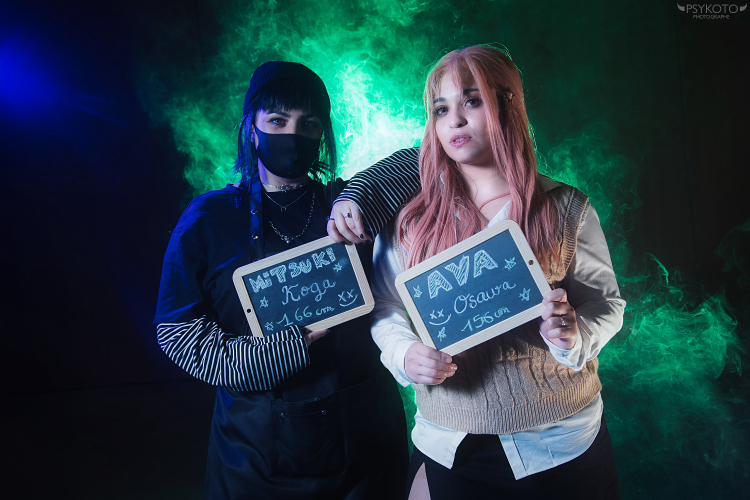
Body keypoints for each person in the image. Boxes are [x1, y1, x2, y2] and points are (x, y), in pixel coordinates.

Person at [327, 46, 625, 499]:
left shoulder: (566, 207)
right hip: (453, 442)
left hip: (561, 441)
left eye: (472, 101)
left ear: (508, 105)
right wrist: (405, 353)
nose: (455, 121)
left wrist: (573, 333)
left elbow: (606, 303)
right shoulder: (409, 218)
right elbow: (385, 305)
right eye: (441, 109)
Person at [154, 61, 408, 499]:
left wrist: (358, 194)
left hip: (366, 445)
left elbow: (427, 162)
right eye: (277, 120)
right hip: (254, 453)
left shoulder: (350, 207)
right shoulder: (209, 218)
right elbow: (176, 331)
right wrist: (276, 352)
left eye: (308, 124)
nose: (293, 134)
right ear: (251, 129)